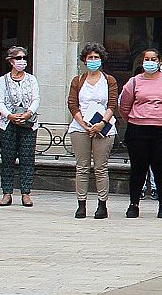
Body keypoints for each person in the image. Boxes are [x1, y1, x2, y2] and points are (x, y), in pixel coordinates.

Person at [119, 48, 162, 219]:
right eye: (147, 59)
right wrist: (135, 118)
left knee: (161, 168)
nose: (150, 62)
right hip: (138, 129)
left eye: (153, 59)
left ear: (159, 61)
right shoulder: (134, 82)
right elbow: (124, 106)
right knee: (138, 168)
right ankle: (134, 204)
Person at [68, 44, 119, 219]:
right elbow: (72, 104)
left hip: (103, 127)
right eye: (90, 57)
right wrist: (84, 125)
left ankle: (102, 204)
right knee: (82, 167)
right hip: (80, 126)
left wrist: (102, 123)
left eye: (96, 57)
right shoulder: (78, 80)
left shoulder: (109, 80)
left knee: (100, 167)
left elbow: (112, 104)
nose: (93, 61)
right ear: (84, 60)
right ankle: (81, 204)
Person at [0, 46, 39, 208]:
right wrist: (9, 115)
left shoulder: (31, 79)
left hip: (28, 123)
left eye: (24, 58)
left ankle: (26, 192)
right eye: (18, 58)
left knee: (27, 158)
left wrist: (27, 114)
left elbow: (36, 99)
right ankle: (7, 193)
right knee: (7, 159)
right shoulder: (3, 80)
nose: (22, 61)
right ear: (11, 61)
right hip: (8, 123)